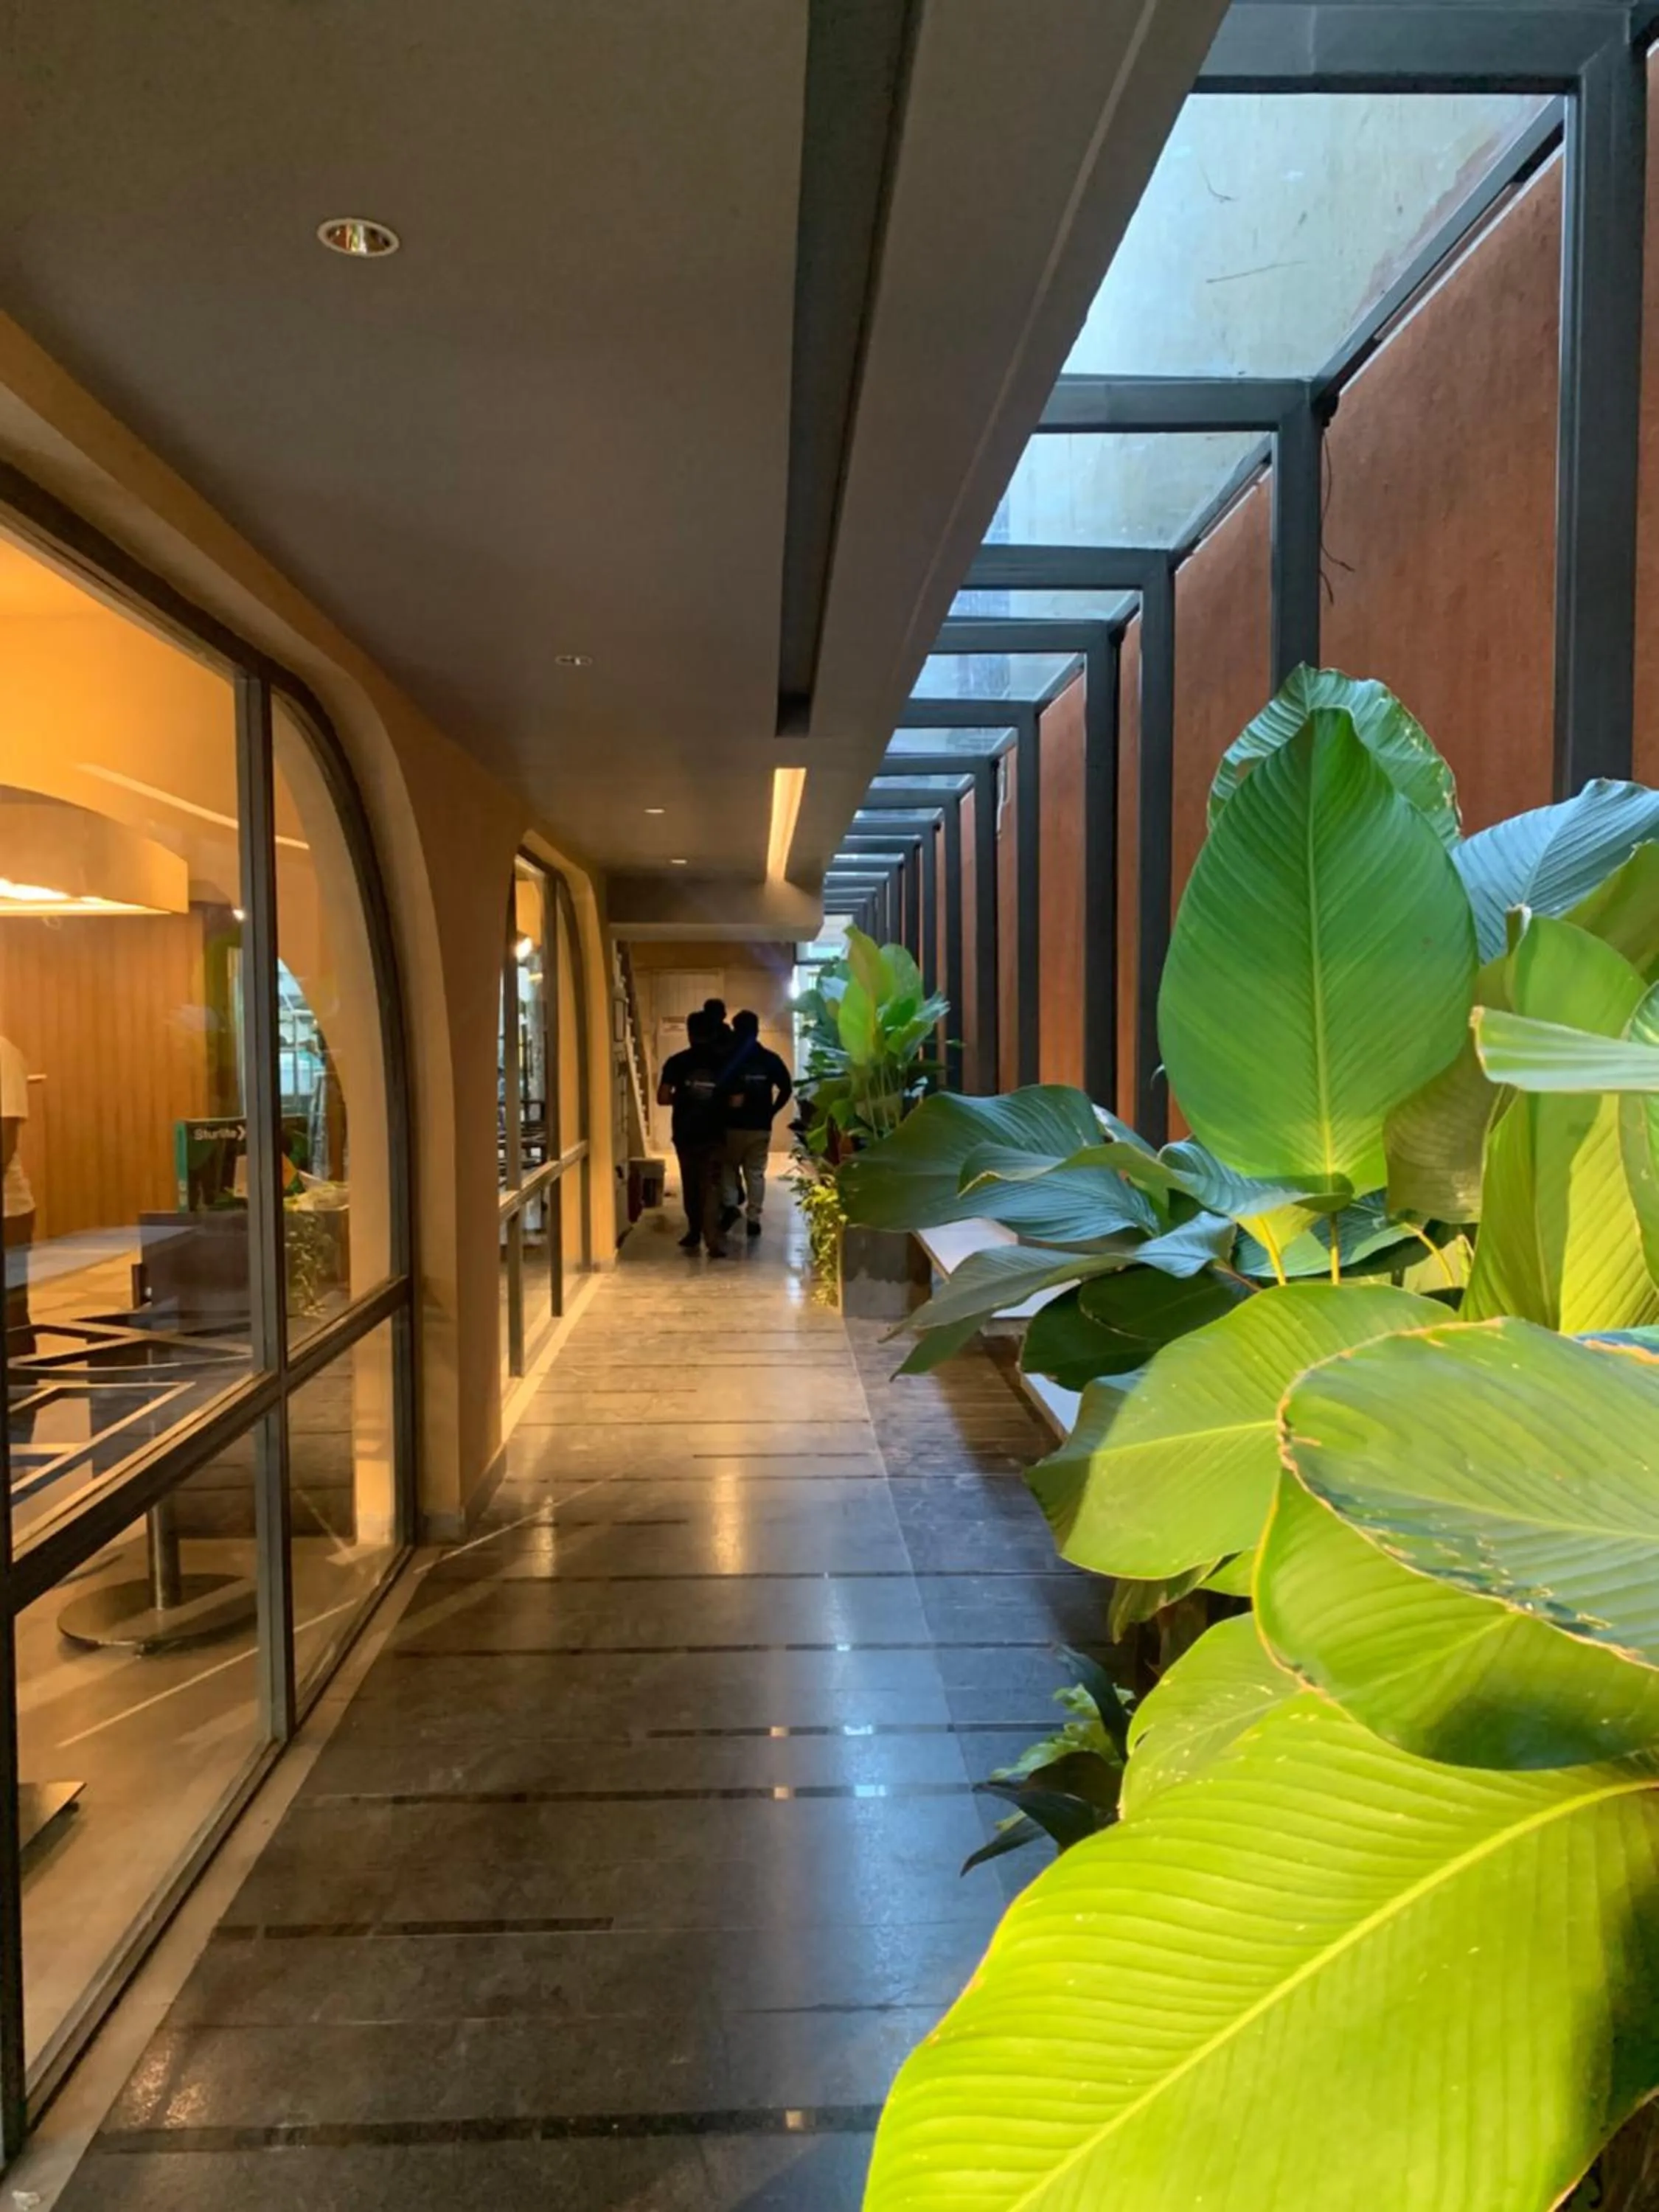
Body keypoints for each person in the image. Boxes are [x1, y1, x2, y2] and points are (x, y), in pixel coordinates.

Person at [655, 1011, 731, 1256]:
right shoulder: (725, 1063)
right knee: (711, 1186)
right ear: (714, 1033)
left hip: (685, 1133)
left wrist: (686, 1096)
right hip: (715, 1133)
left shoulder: (677, 1062)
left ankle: (693, 1232)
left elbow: (663, 1097)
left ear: (690, 1033)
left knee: (690, 1184)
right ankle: (713, 1240)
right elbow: (738, 1100)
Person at [720, 1010, 792, 1239]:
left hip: (731, 1126)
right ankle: (753, 1218)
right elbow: (786, 1088)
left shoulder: (727, 1058)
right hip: (760, 1126)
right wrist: (771, 1112)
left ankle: (731, 1206)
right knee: (755, 1172)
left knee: (728, 1168)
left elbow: (717, 1089)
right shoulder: (770, 1059)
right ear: (757, 1030)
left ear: (735, 1030)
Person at [1, 1032, 35, 1352]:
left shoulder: (2, 1053)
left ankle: (24, 1395)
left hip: (8, 1213)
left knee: (11, 1317)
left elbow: (5, 1137)